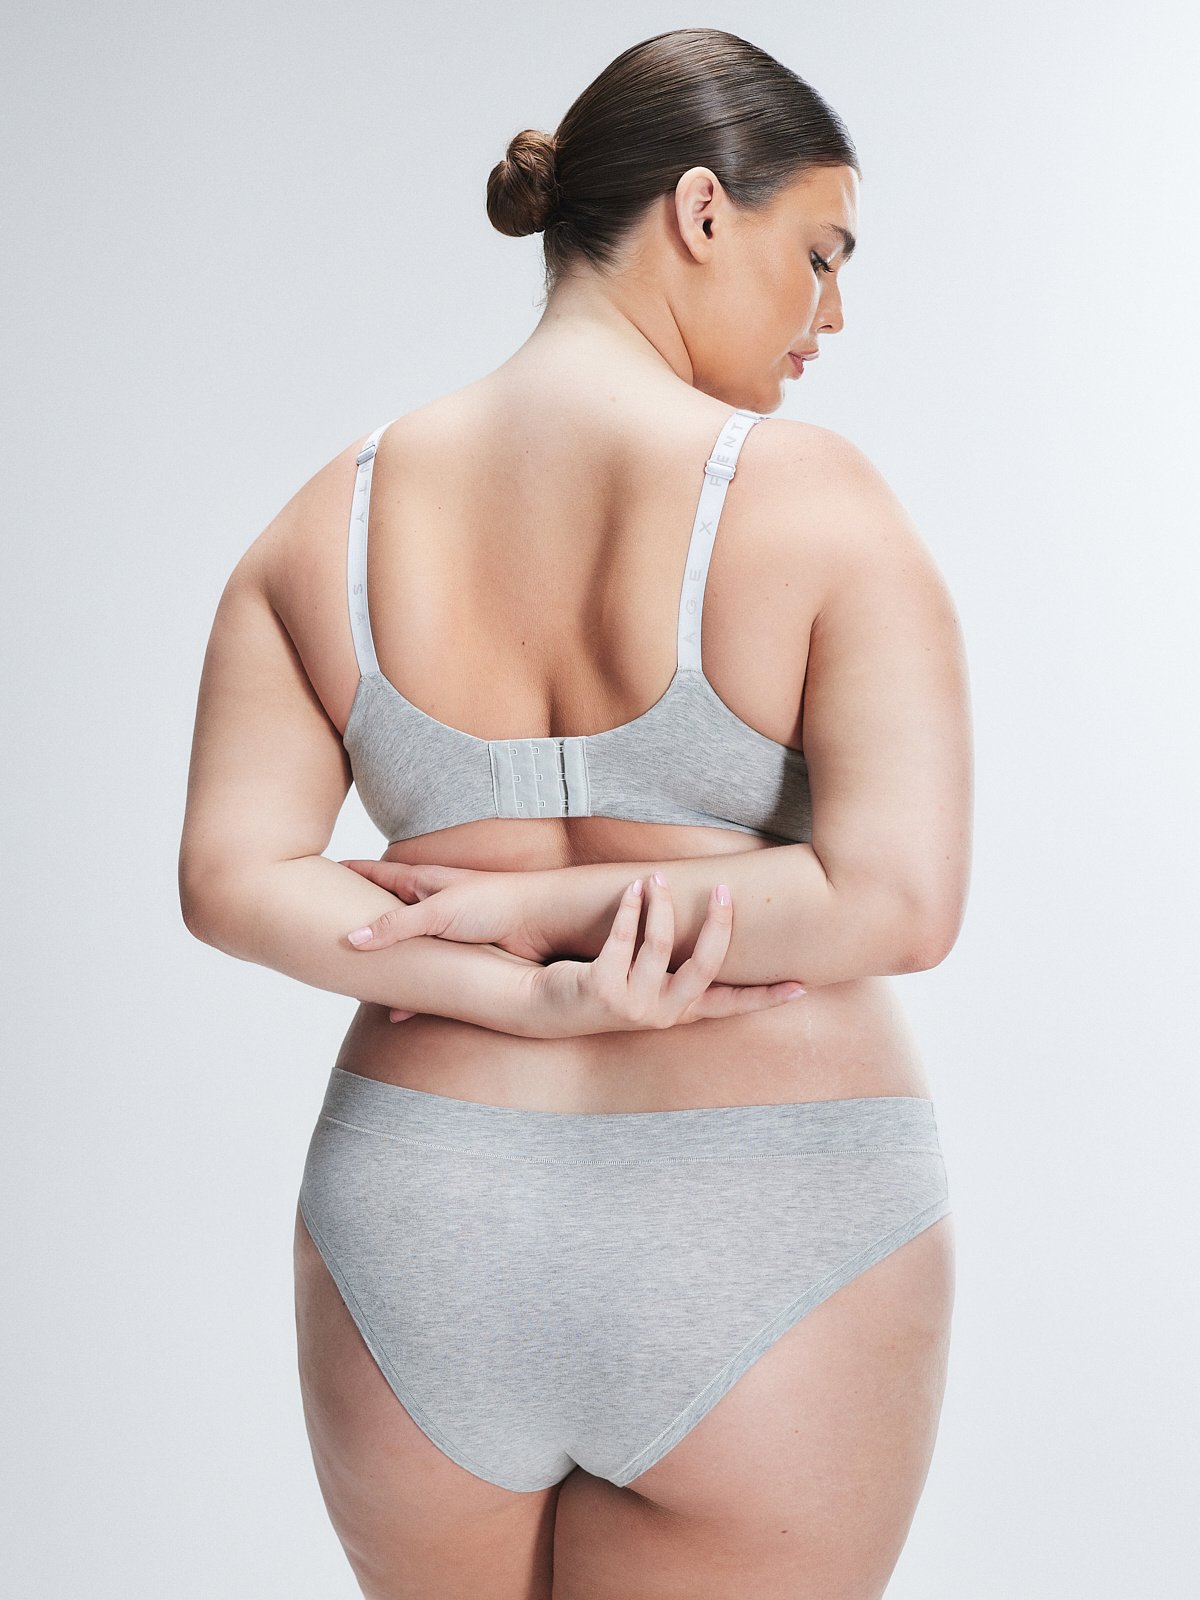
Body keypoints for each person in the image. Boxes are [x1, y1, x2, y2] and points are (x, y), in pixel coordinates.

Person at [179, 24, 973, 1600]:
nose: (832, 315)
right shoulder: (811, 496)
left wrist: (521, 971)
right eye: (820, 255)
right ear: (701, 210)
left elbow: (230, 876)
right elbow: (900, 898)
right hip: (769, 1217)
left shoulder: (326, 522)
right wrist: (568, 962)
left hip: (423, 1218)